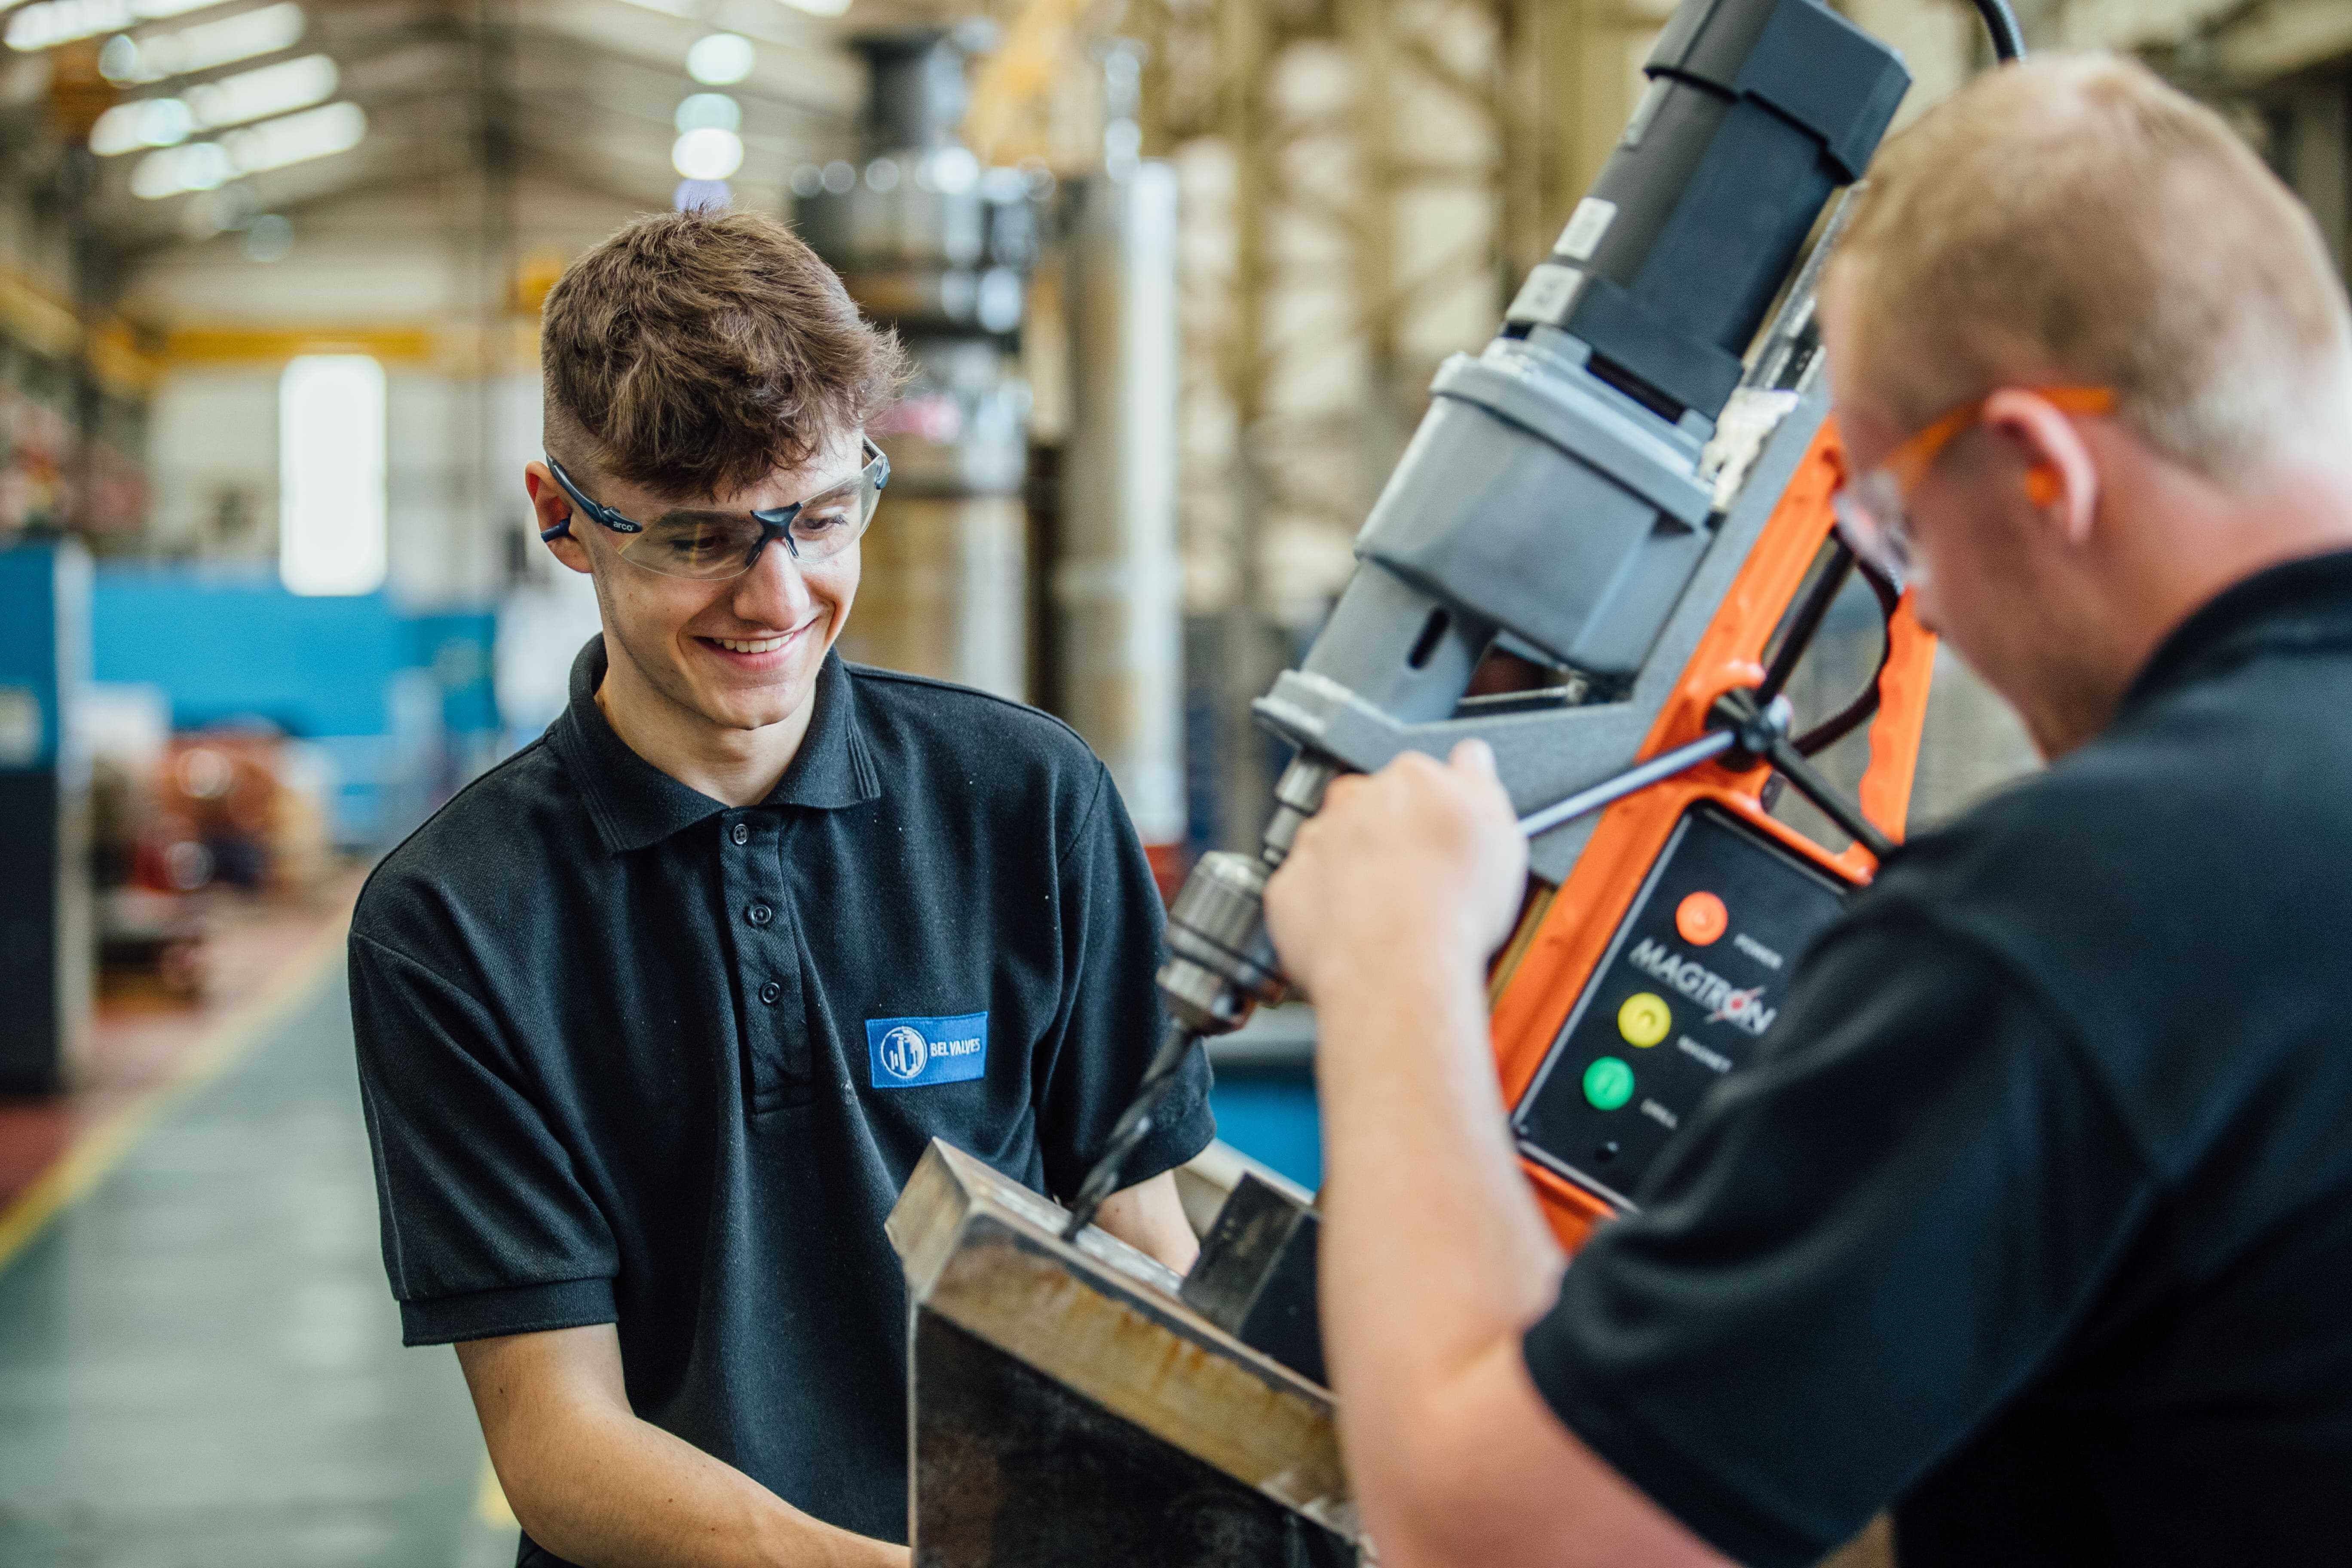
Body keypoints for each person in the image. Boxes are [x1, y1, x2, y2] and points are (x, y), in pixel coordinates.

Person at [1264, 53, 2352, 1568]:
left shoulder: (2084, 910)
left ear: (2038, 471)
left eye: (1898, 529)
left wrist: (1394, 966)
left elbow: (1502, 1537)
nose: (1936, 614)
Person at [349, 210, 1210, 1568]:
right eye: (697, 541)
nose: (777, 596)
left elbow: (1139, 1232)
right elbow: (557, 1441)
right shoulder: (455, 922)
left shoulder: (1029, 801)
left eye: (817, 518)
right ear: (561, 519)